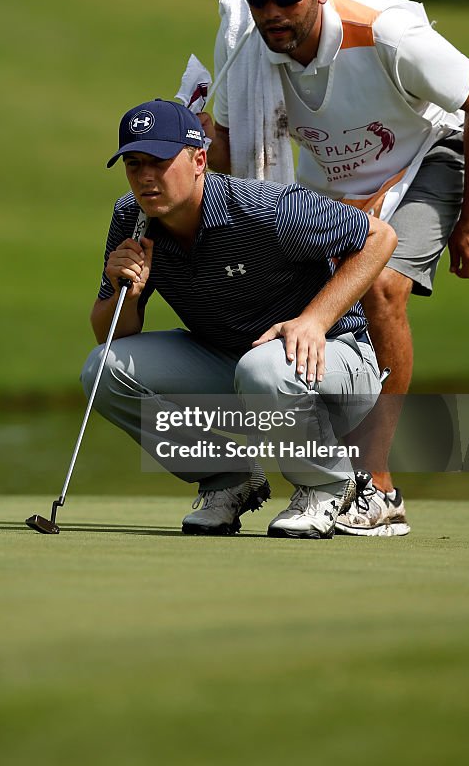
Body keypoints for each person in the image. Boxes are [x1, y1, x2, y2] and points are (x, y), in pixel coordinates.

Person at [202, 0, 469, 536]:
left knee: (382, 287)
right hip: (335, 182)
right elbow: (230, 151)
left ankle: (376, 485)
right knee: (295, 299)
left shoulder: (389, 36)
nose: (270, 12)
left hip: (427, 155)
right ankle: (302, 476)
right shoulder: (244, 47)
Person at [81, 98, 397, 539]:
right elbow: (113, 332)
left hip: (334, 367)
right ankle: (228, 478)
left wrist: (314, 320)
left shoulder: (266, 209)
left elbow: (380, 237)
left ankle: (328, 485)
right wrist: (124, 292)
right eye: (134, 164)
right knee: (103, 369)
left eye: (158, 161)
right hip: (238, 367)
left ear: (199, 160)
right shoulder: (132, 218)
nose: (145, 177)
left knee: (261, 369)